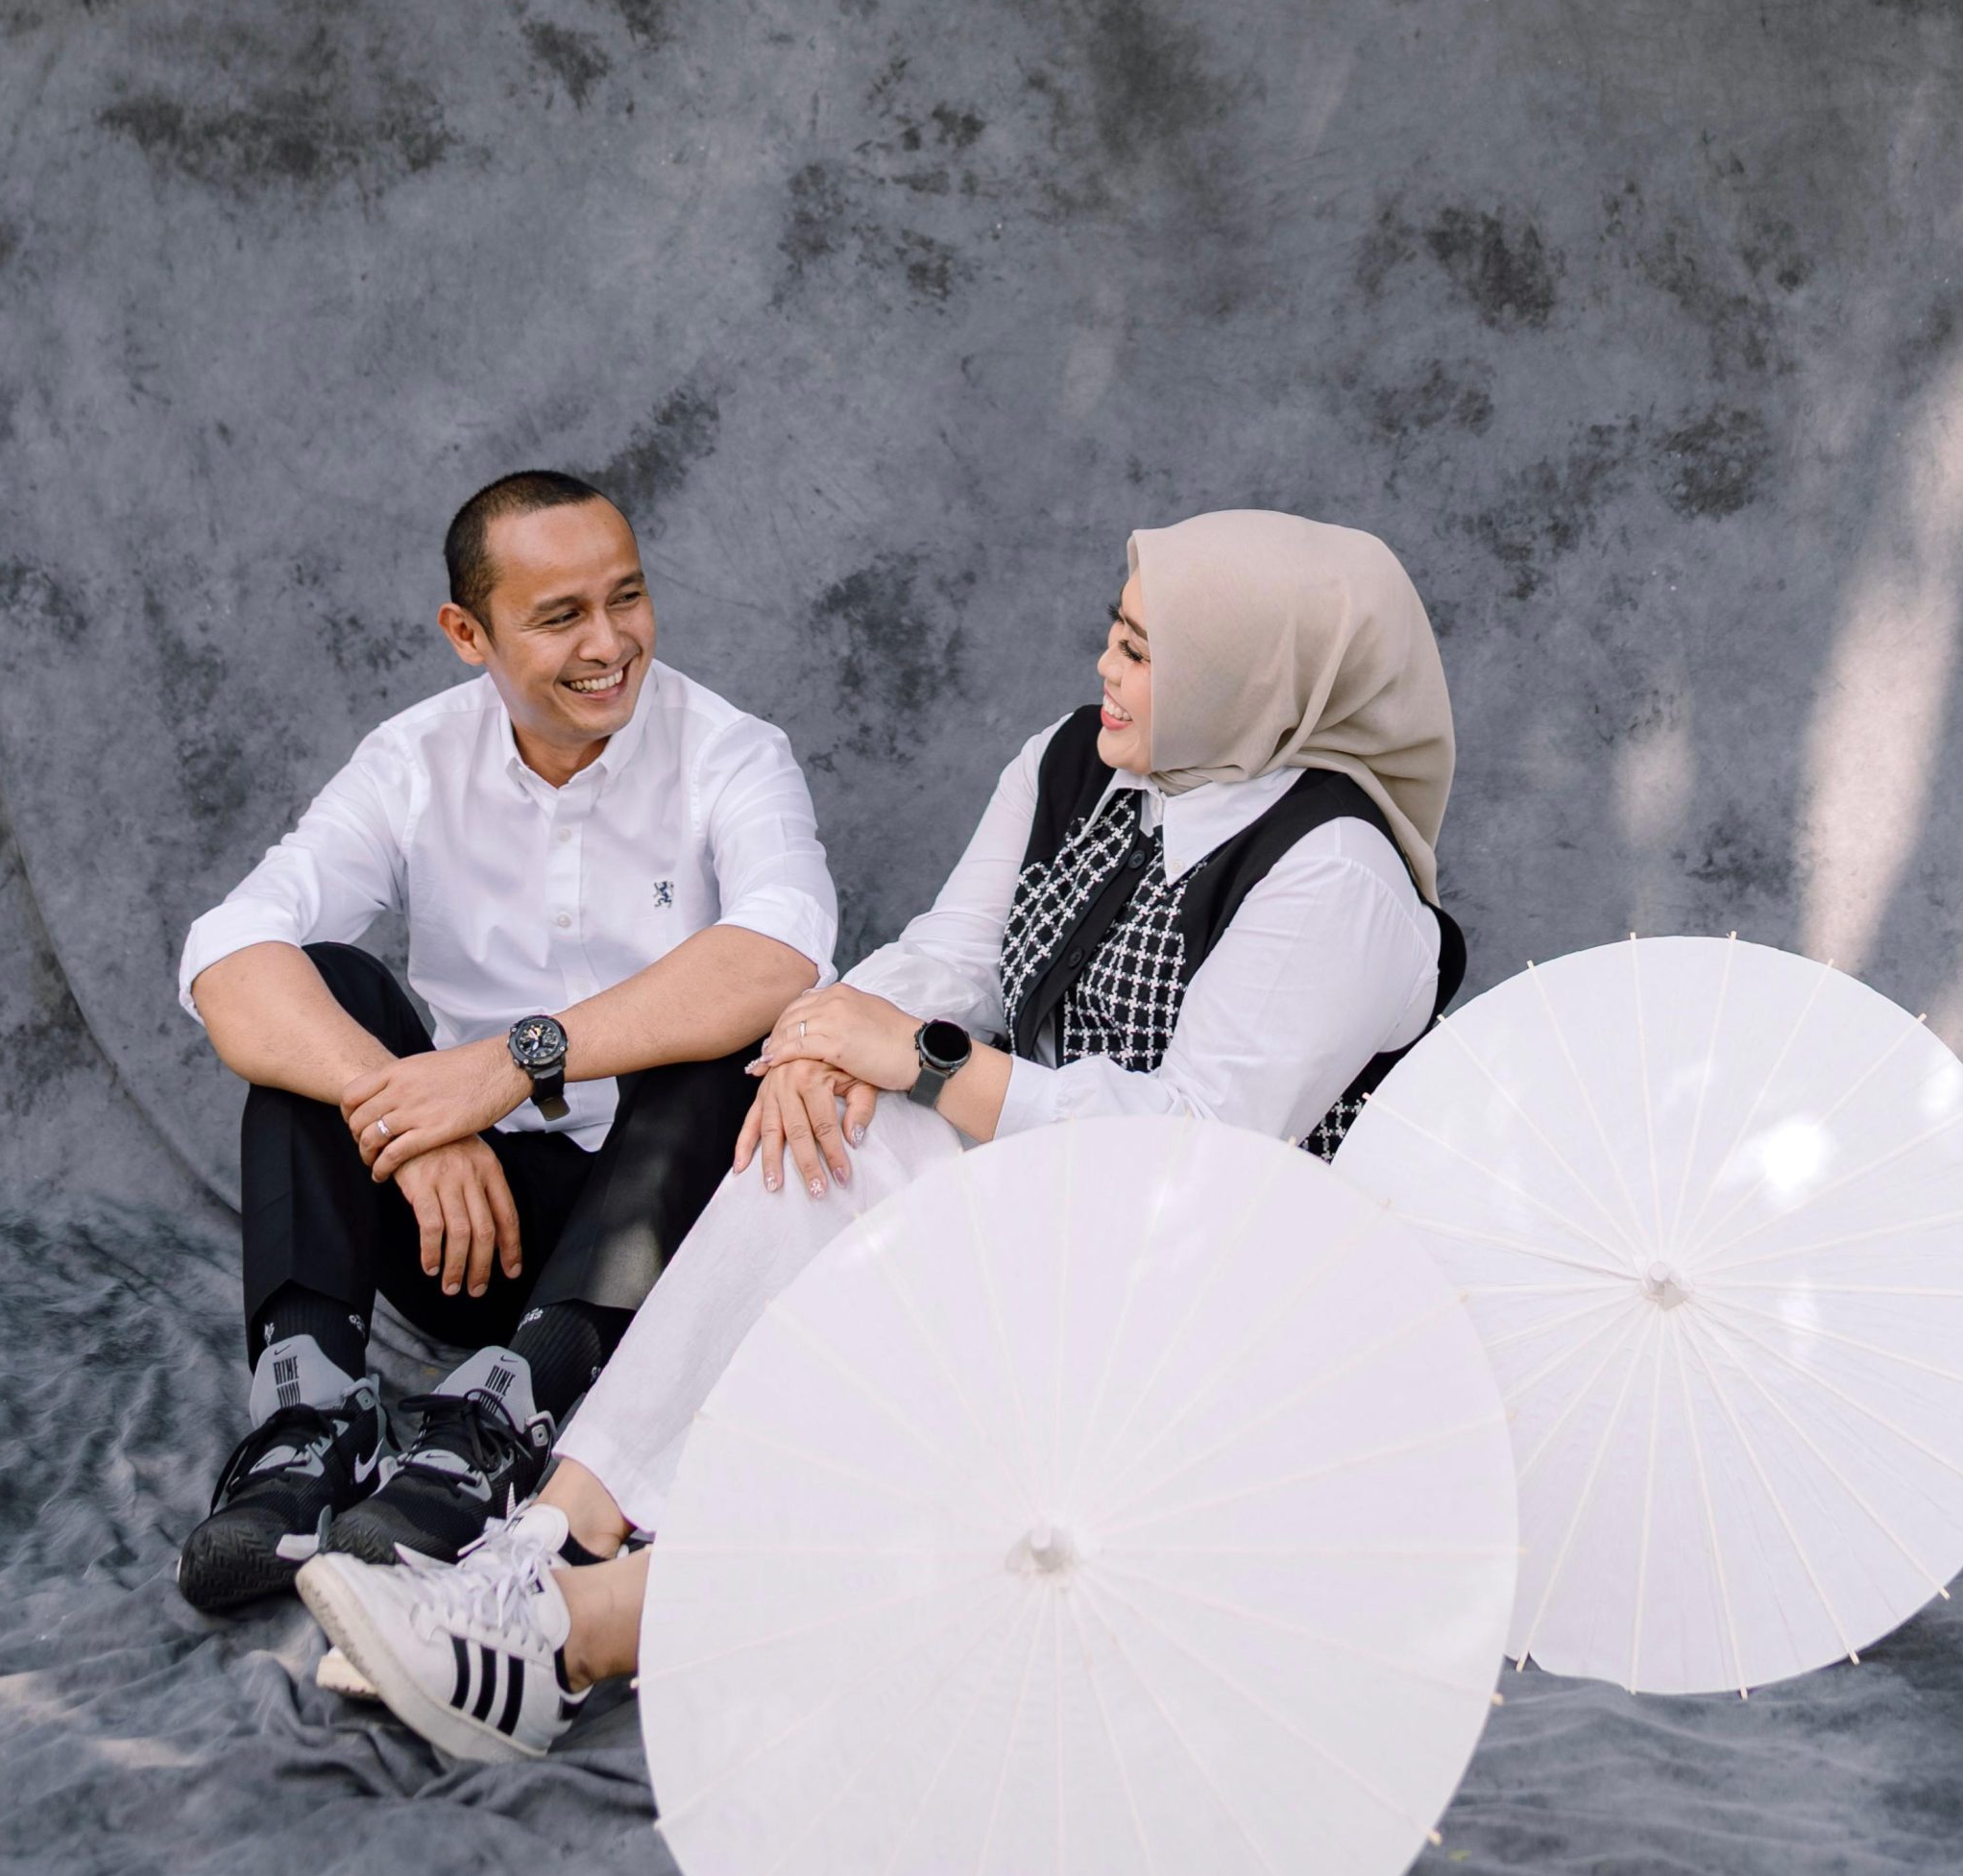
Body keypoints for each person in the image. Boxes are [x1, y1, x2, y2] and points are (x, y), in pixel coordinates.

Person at [293, 510, 1465, 1757]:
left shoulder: (1336, 876)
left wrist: (920, 1058)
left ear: (1249, 681)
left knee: (900, 1156)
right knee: (837, 1124)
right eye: (1112, 636)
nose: (1103, 672)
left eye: (1140, 652)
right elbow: (951, 954)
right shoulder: (1078, 761)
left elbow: (1191, 1146)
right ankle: (552, 1533)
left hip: (1205, 1306)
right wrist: (822, 1037)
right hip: (1064, 1219)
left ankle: (577, 1631)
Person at [173, 470, 837, 1611]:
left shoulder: (731, 751)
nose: (609, 644)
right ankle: (306, 1426)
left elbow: (781, 947)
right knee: (321, 988)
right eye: (560, 615)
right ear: (466, 633)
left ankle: (502, 1420)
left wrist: (501, 1066)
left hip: (656, 1250)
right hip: (463, 1235)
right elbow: (226, 950)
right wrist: (406, 1110)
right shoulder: (413, 759)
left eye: (625, 597)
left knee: (726, 1030)